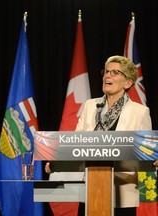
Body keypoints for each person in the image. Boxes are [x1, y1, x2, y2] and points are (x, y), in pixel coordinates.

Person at [45, 55, 157, 215]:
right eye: (106, 71)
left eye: (115, 72)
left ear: (128, 83)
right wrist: (57, 162)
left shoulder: (140, 112)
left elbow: (146, 151)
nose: (107, 76)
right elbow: (76, 143)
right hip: (90, 188)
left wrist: (152, 160)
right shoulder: (90, 105)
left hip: (122, 191)